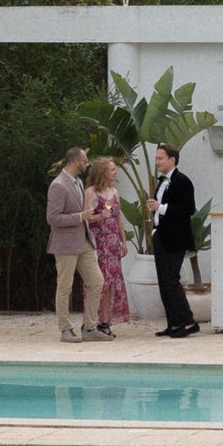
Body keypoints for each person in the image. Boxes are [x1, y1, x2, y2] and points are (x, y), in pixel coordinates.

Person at [47, 146, 109, 343]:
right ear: (75, 162)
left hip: (84, 240)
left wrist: (93, 215)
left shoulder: (79, 182)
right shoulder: (58, 185)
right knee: (65, 286)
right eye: (84, 160)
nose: (87, 163)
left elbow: (82, 214)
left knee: (97, 281)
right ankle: (65, 328)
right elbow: (53, 218)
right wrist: (79, 216)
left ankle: (90, 327)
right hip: (65, 243)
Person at [148, 142, 201, 339]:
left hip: (176, 239)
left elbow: (187, 209)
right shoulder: (162, 181)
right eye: (156, 158)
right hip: (162, 236)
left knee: (171, 280)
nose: (157, 162)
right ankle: (175, 322)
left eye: (160, 158)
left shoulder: (182, 181)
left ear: (172, 160)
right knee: (164, 282)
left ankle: (185, 322)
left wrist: (161, 208)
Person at [83, 157, 131, 335]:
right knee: (97, 282)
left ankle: (105, 320)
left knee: (112, 283)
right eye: (112, 169)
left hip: (112, 245)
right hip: (98, 244)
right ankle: (91, 321)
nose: (115, 172)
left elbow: (118, 219)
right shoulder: (91, 192)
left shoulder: (114, 192)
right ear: (102, 172)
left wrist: (123, 241)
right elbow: (85, 218)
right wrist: (99, 217)